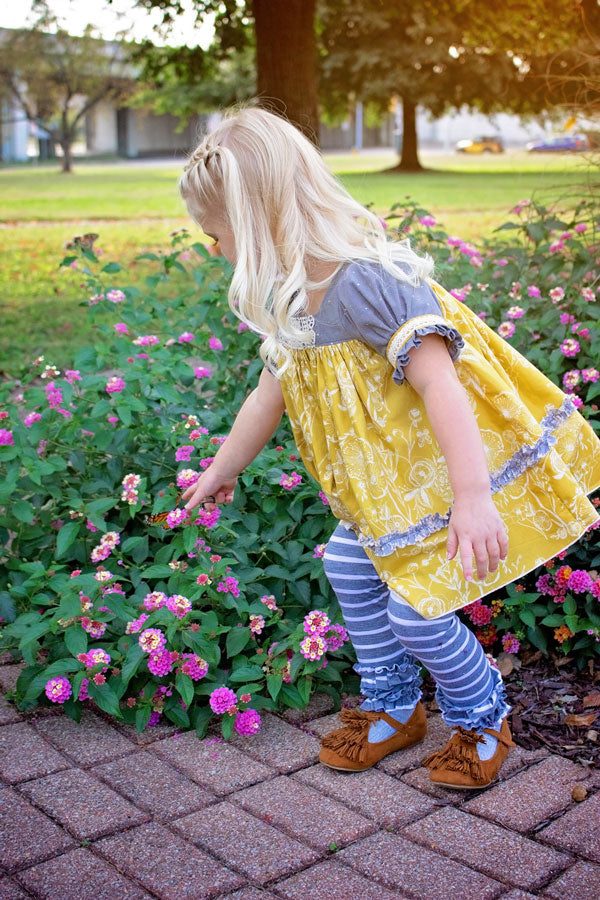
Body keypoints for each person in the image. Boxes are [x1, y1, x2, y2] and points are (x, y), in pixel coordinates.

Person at [179, 105, 600, 790]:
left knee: (416, 606)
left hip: (438, 480)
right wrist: (224, 468)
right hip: (384, 491)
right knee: (347, 565)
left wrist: (472, 500)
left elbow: (443, 385)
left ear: (256, 222)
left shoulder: (367, 283)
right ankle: (394, 706)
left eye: (216, 234)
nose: (214, 248)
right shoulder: (290, 295)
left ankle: (481, 717)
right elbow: (272, 389)